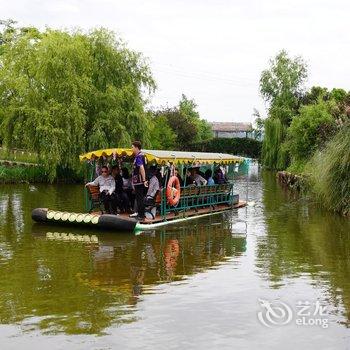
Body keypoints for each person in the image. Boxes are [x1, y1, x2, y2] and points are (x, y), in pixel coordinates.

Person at [130, 141, 147, 220]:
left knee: (139, 198)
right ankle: (140, 214)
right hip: (138, 181)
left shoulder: (139, 156)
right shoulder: (141, 155)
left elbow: (141, 168)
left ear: (136, 147)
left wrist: (144, 180)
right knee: (139, 197)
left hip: (139, 181)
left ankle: (141, 215)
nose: (131, 149)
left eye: (132, 147)